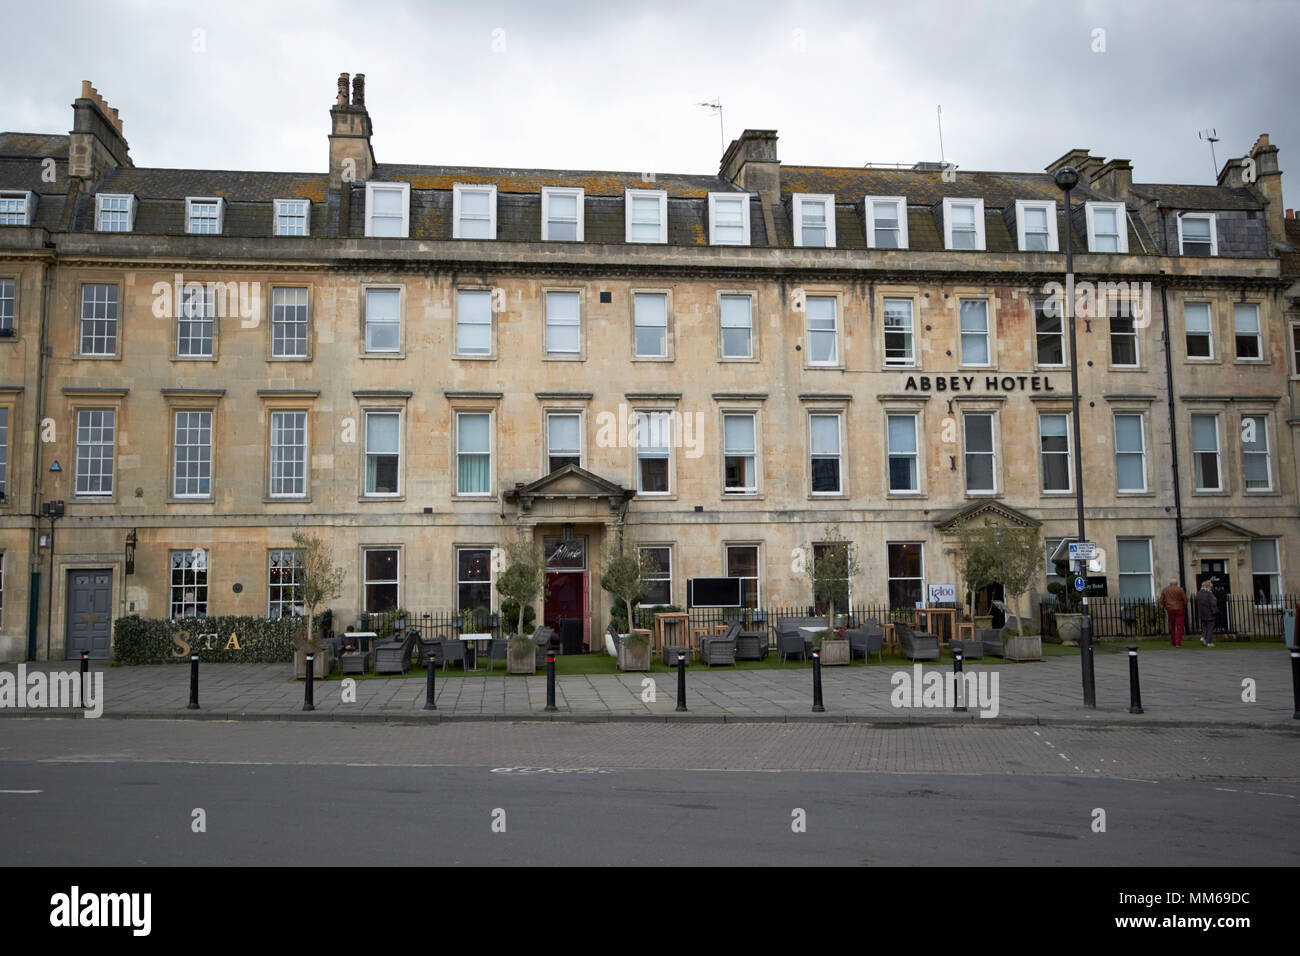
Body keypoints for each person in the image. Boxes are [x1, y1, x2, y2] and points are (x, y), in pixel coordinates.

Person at [1159, 577, 1187, 647]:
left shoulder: (1165, 589)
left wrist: (1166, 606)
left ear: (1170, 583)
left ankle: (1173, 642)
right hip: (1179, 609)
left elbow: (1161, 601)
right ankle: (1178, 643)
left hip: (1170, 609)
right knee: (1179, 626)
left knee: (1172, 626)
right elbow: (1185, 600)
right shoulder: (1180, 589)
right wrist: (1183, 605)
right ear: (1176, 583)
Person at [1195, 580, 1218, 648]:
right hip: (1209, 613)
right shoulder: (1209, 593)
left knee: (1205, 627)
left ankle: (1203, 637)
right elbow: (1213, 603)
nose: (1211, 588)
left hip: (1202, 613)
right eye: (1211, 587)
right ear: (1208, 586)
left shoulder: (1199, 593)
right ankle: (1209, 642)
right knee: (1210, 628)